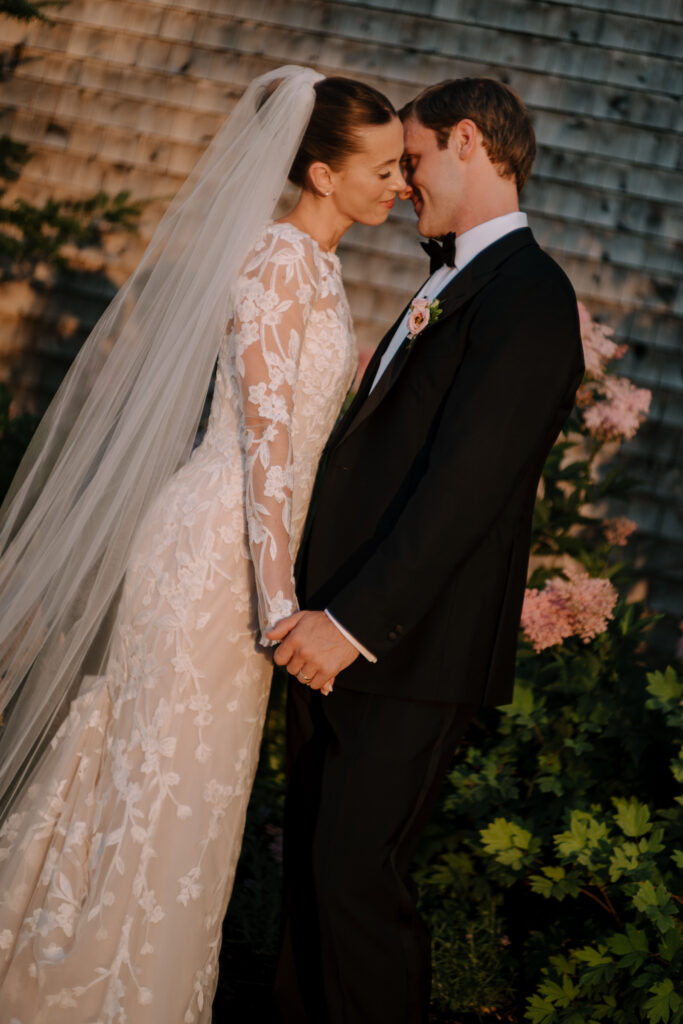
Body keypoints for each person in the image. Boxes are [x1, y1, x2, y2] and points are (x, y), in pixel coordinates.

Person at [0, 66, 405, 1022]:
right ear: (318, 172)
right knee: (163, 782)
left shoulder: (319, 263)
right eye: (381, 166)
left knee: (192, 793)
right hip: (213, 555)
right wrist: (276, 602)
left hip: (250, 556)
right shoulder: (273, 262)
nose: (398, 182)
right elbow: (265, 444)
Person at [271, 77, 586, 1024]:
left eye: (411, 161)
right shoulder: (452, 275)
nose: (404, 185)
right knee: (314, 881)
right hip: (343, 630)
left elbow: (466, 488)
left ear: (466, 143)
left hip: (404, 645)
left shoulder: (529, 296)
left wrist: (353, 624)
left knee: (355, 882)